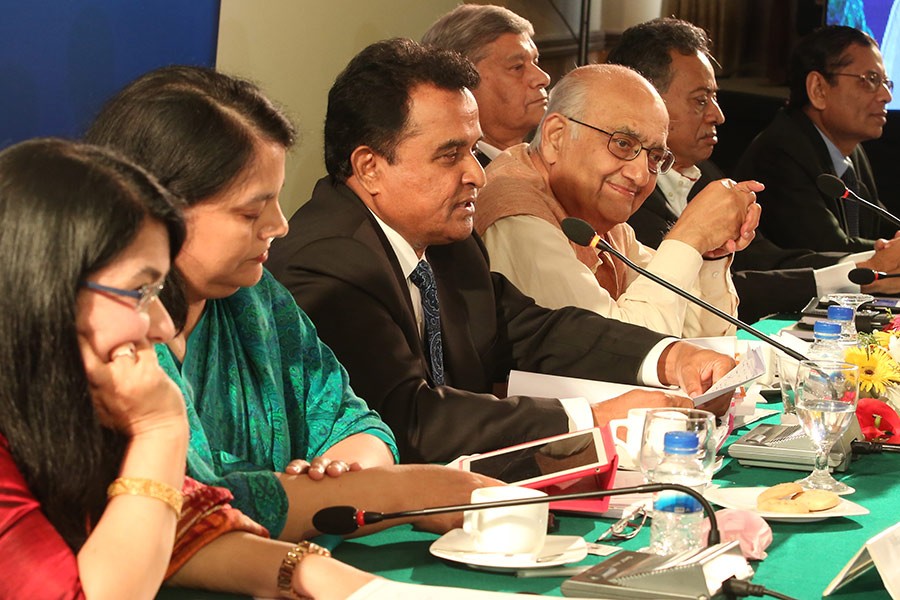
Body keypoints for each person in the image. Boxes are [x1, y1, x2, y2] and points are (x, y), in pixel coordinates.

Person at [0, 138, 591, 600]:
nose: (159, 324)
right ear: (43, 288)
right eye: (141, 291)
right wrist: (161, 429)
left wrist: (332, 579)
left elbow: (186, 523)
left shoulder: (82, 390)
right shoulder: (328, 260)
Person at [267, 38, 737, 465]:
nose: (477, 174)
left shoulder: (447, 243)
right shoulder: (327, 264)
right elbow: (409, 421)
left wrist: (669, 357)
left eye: (474, 151)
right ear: (370, 167)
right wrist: (590, 418)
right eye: (450, 155)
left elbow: (536, 331)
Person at [86, 65, 493, 543]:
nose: (279, 225)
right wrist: (396, 492)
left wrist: (341, 477)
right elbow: (187, 506)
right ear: (159, 210)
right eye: (251, 211)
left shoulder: (257, 297)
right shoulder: (115, 332)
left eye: (277, 201)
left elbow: (355, 423)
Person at [607, 17, 900, 322]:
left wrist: (870, 264)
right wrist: (862, 274)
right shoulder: (624, 189)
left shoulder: (707, 174)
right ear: (647, 100)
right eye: (701, 100)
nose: (718, 115)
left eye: (715, 98)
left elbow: (765, 260)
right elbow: (708, 294)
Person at [474, 63, 761, 338]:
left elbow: (697, 337)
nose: (640, 175)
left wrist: (709, 254)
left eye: (654, 157)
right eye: (622, 144)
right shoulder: (516, 215)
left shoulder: (595, 212)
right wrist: (689, 237)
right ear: (556, 136)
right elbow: (623, 349)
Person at [735, 25, 897, 253]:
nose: (886, 96)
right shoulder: (779, 154)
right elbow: (830, 251)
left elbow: (882, 226)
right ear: (818, 89)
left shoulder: (850, 149)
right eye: (870, 80)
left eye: (885, 83)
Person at [421, 4, 550, 166]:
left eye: (535, 62)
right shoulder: (462, 178)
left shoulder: (549, 165)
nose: (543, 78)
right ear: (463, 83)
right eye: (517, 67)